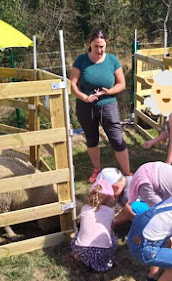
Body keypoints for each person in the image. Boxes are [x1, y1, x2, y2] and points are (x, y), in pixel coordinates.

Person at [70, 27, 131, 183]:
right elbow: (73, 84)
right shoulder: (81, 60)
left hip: (108, 104)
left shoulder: (112, 60)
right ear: (90, 43)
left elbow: (121, 84)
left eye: (102, 46)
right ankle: (97, 169)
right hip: (86, 107)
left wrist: (108, 92)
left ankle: (127, 173)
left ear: (107, 44)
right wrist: (84, 97)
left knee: (117, 139)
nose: (99, 50)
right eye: (96, 46)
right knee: (92, 139)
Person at [71, 179, 118, 272]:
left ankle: (81, 257)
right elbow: (112, 227)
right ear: (109, 199)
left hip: (82, 250)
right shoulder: (110, 212)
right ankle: (103, 261)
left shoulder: (84, 209)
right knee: (111, 234)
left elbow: (81, 223)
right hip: (102, 252)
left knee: (78, 234)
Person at [113, 161, 172, 227]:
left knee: (131, 207)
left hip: (161, 207)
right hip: (162, 197)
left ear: (115, 187)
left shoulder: (128, 194)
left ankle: (112, 225)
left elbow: (161, 210)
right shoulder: (129, 179)